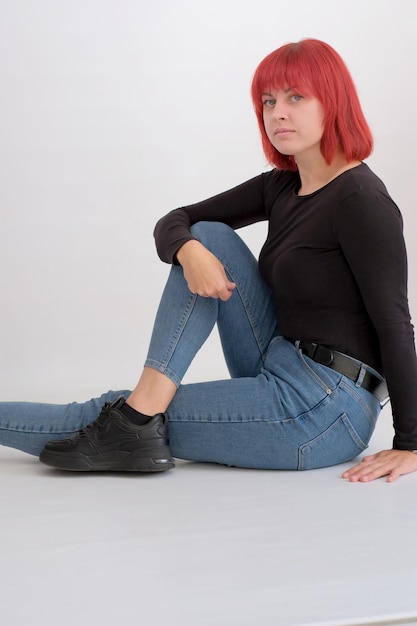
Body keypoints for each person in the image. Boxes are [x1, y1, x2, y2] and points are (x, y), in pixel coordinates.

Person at [1, 38, 417, 483]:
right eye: (268, 100)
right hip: (277, 359)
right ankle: (144, 407)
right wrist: (187, 250)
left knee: (107, 413)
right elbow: (175, 220)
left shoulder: (360, 200)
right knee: (207, 236)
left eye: (296, 97)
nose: (278, 112)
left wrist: (410, 443)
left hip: (324, 409)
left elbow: (395, 322)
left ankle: (137, 416)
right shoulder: (281, 186)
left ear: (332, 103)